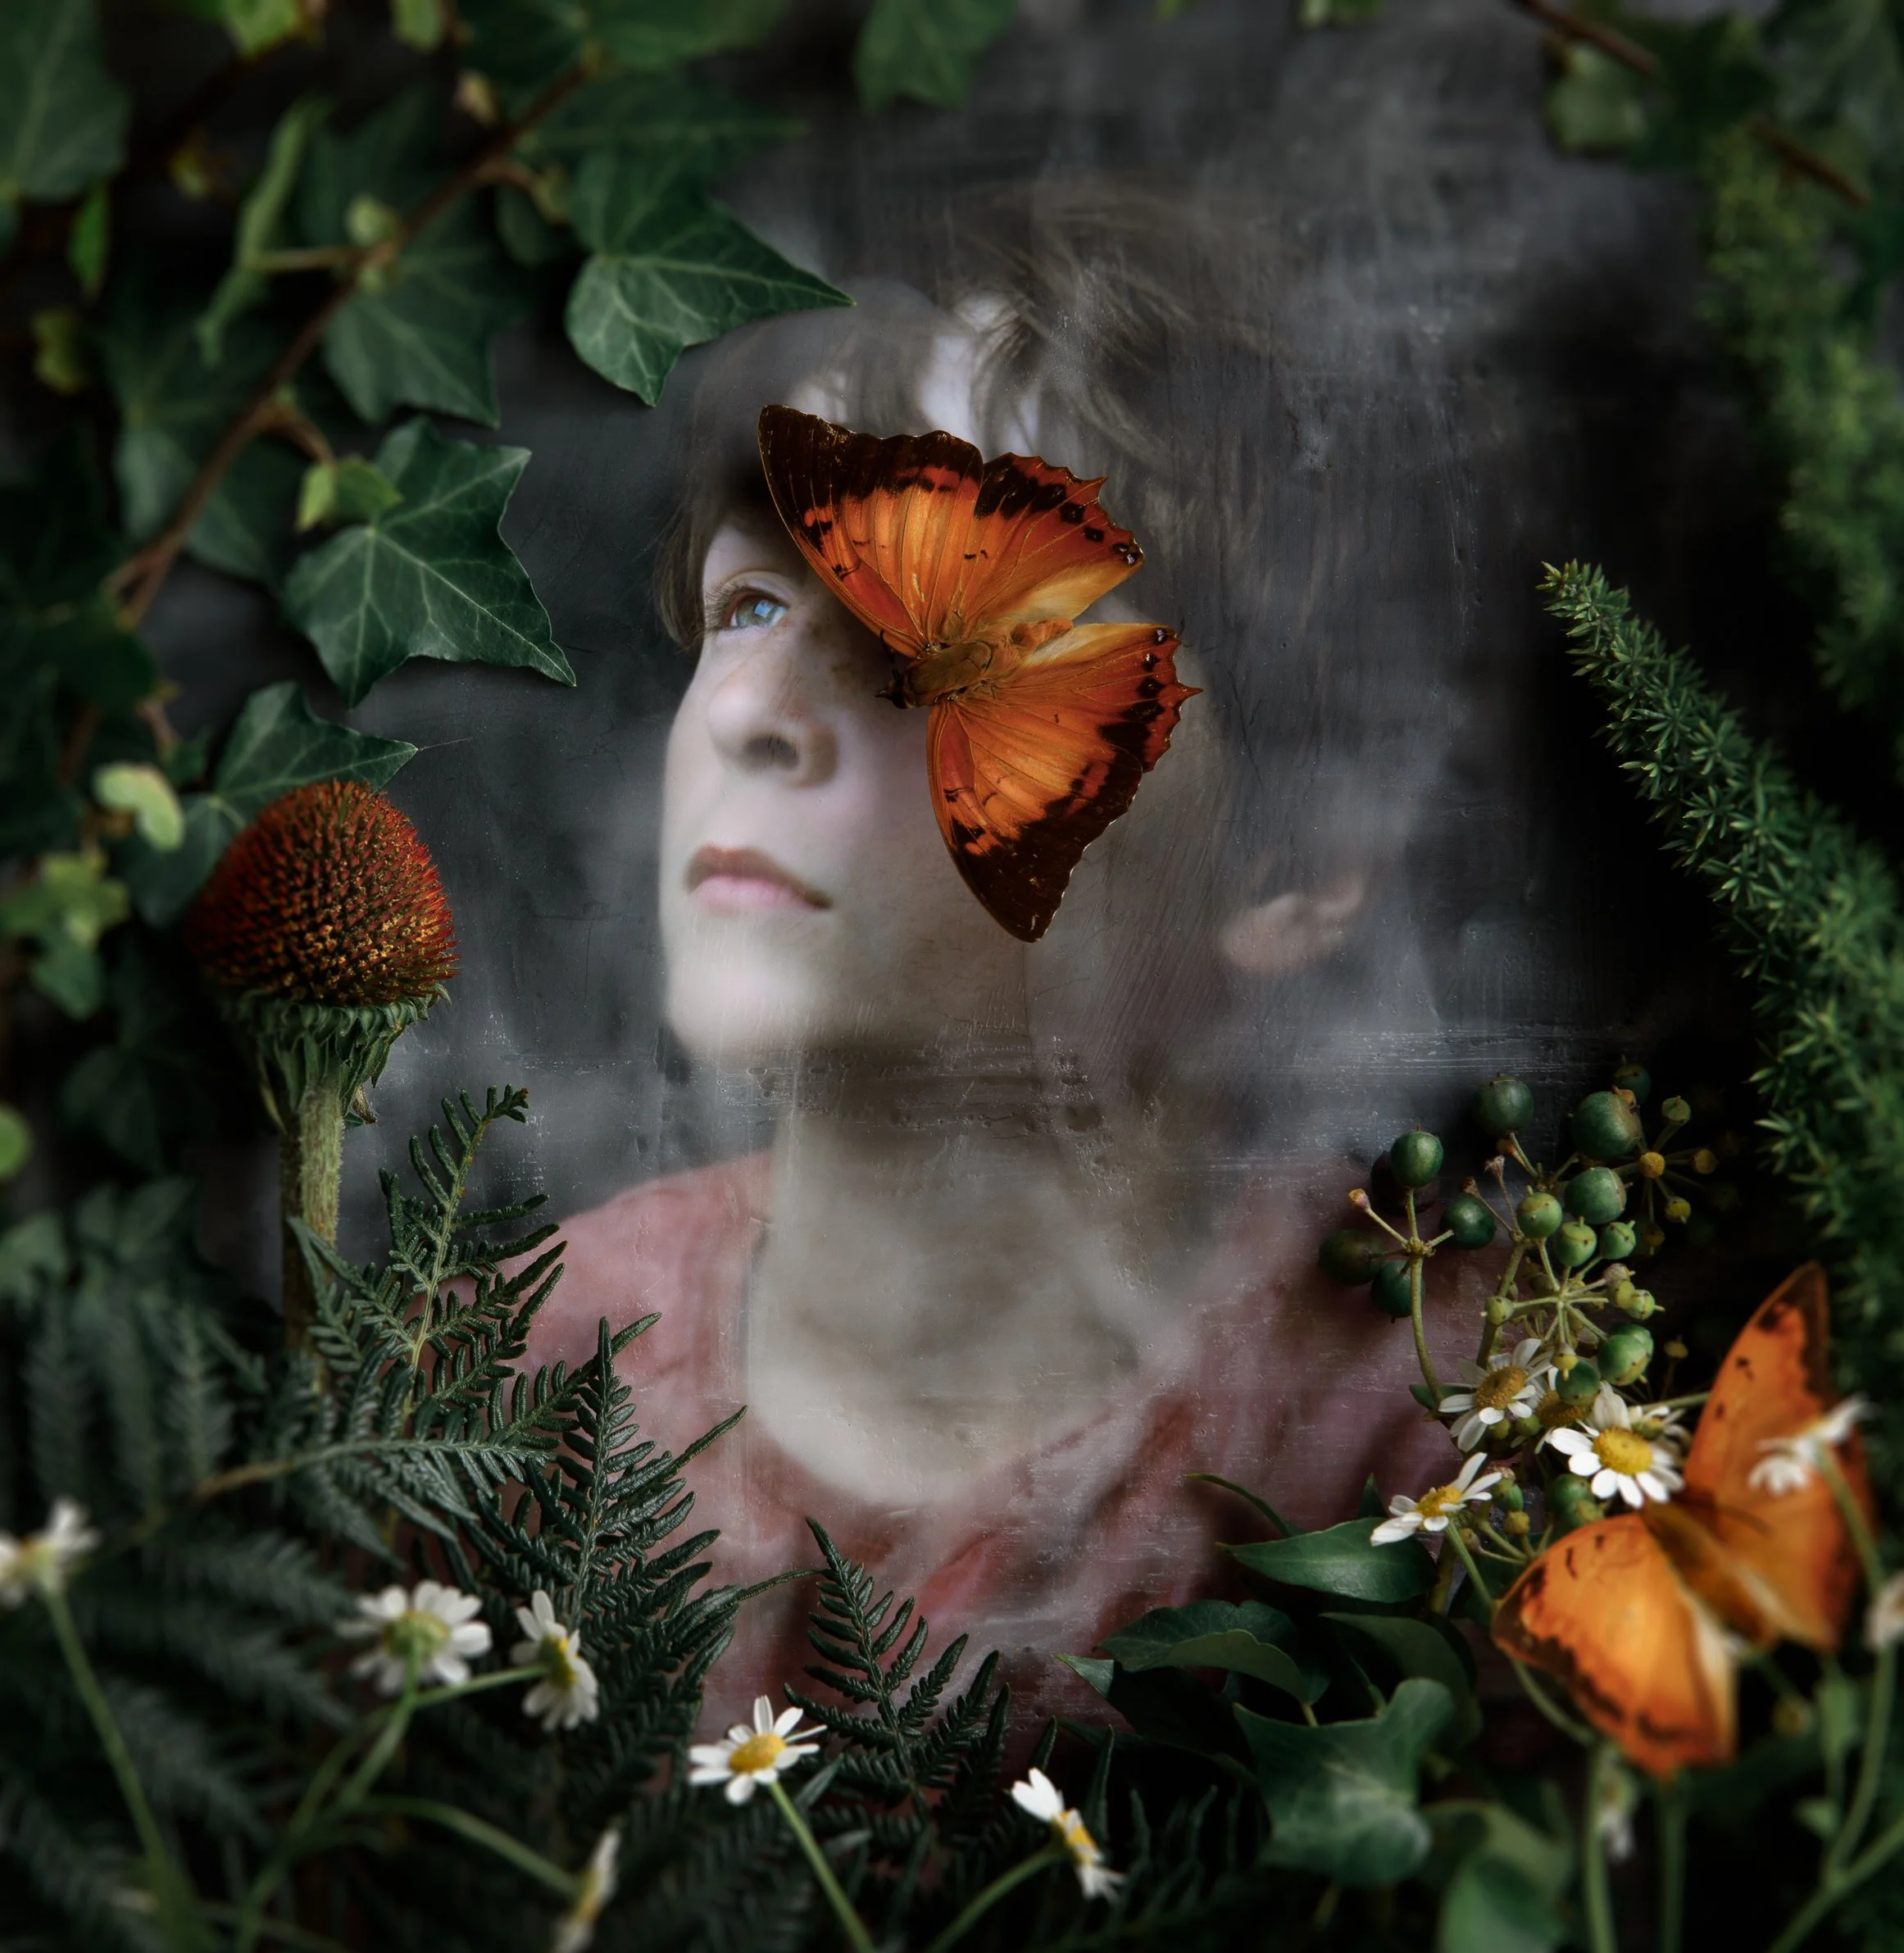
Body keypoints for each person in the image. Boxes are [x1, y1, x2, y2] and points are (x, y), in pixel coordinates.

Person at [520, 186, 1483, 1725]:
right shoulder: (509, 1385)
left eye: (940, 636)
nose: (754, 711)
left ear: (1297, 860)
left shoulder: (1443, 1446)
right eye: (754, 599)